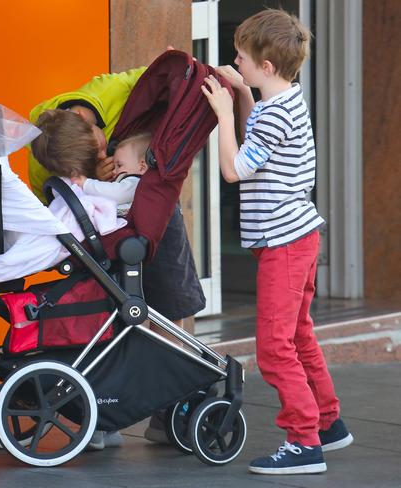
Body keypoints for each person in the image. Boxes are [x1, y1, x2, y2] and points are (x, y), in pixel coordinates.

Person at [201, 8, 353, 475]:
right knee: (299, 334)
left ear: (266, 67)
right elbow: (257, 147)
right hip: (298, 238)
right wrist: (244, 96)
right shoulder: (284, 101)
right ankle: (328, 422)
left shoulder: (274, 114)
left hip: (285, 244)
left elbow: (234, 168)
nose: (235, 61)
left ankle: (304, 442)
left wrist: (224, 113)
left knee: (273, 346)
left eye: (241, 58)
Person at [29, 64, 206, 449]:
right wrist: (89, 180)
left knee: (170, 307)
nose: (102, 151)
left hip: (148, 207)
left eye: (100, 145)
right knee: (106, 316)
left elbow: (167, 73)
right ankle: (105, 412)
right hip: (101, 234)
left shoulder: (113, 91)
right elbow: (51, 196)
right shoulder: (43, 135)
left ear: (90, 122)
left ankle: (167, 412)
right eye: (92, 157)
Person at [71, 132, 151, 217]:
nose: (113, 172)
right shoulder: (129, 182)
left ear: (142, 167)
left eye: (119, 165)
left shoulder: (136, 183)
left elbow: (116, 193)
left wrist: (86, 184)